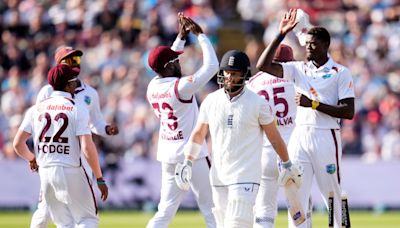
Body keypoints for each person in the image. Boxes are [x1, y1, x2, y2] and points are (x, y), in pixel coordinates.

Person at [175, 50, 303, 228]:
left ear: (245, 75)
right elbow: (198, 133)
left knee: (238, 224)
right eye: (226, 72)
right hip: (218, 176)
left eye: (234, 74)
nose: (229, 78)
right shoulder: (210, 100)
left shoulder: (257, 102)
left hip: (246, 176)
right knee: (223, 224)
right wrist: (187, 161)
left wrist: (287, 163)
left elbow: (274, 137)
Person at [256, 9, 355, 228]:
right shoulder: (298, 69)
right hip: (300, 136)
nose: (308, 47)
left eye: (313, 44)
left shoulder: (340, 72)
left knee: (332, 194)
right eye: (307, 43)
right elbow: (262, 65)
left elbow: (348, 111)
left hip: (326, 135)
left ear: (325, 46)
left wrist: (314, 104)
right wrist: (280, 35)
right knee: (295, 192)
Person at [31, 46, 119, 228]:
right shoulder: (47, 91)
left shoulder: (90, 94)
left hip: (80, 159)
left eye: (76, 60)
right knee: (44, 211)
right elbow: (39, 125)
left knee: (73, 215)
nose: (73, 63)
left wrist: (106, 129)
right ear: (59, 65)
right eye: (69, 60)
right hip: (56, 156)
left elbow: (95, 123)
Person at [13, 64, 108, 227]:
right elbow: (87, 147)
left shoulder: (35, 109)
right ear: (68, 85)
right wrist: (99, 178)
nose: (76, 84)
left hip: (46, 172)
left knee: (64, 224)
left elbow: (17, 144)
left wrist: (32, 159)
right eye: (74, 81)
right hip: (71, 169)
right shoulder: (78, 108)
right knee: (88, 219)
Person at [145, 13, 218, 228]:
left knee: (165, 211)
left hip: (168, 154)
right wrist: (200, 35)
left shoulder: (152, 87)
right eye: (176, 60)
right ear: (168, 66)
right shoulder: (181, 87)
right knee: (211, 208)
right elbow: (212, 66)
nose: (179, 61)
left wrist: (181, 37)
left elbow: (168, 60)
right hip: (192, 154)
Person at [248, 44, 298, 228]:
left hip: (266, 151)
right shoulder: (295, 76)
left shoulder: (253, 82)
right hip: (294, 151)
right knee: (298, 207)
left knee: (264, 208)